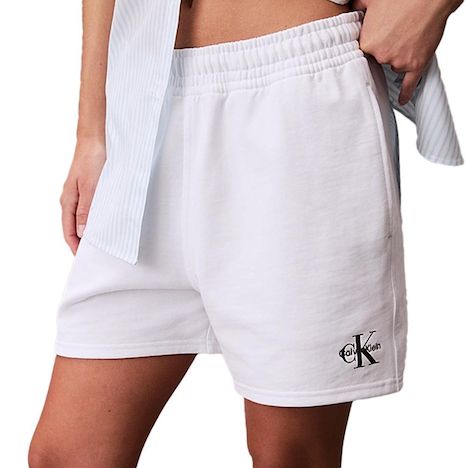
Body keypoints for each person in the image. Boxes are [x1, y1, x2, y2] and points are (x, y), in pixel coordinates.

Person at [29, 0, 464, 467]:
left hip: (296, 90)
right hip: (142, 110)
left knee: (289, 455)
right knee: (66, 456)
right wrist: (92, 133)